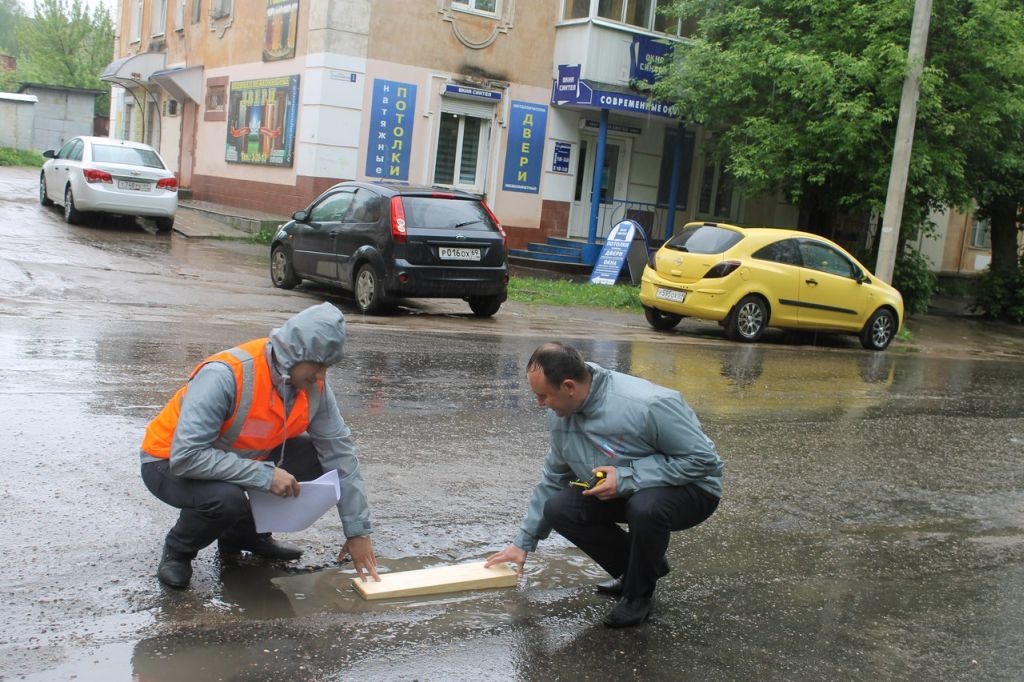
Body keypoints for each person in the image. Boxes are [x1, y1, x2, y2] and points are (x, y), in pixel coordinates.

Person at [139, 302, 380, 589]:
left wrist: (357, 532)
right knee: (227, 498)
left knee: (316, 458)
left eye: (327, 367)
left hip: (239, 457)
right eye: (317, 366)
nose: (321, 377)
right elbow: (187, 456)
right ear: (293, 353)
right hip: (168, 462)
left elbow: (340, 453)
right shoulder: (226, 375)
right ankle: (179, 551)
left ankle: (242, 536)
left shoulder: (313, 386)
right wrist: (264, 475)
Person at [486, 342, 723, 628]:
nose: (539, 404)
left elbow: (705, 461)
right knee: (559, 507)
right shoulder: (562, 414)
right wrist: (522, 543)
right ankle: (640, 568)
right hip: (629, 488)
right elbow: (553, 478)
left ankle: (638, 597)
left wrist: (626, 478)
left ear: (569, 387)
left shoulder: (646, 405)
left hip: (693, 490)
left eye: (543, 396)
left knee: (644, 507)